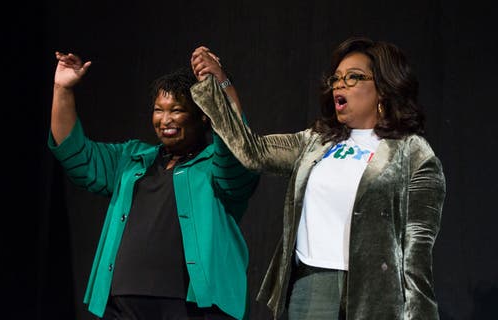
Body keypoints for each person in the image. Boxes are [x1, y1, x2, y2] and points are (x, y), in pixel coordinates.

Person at [189, 37, 446, 319]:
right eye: (336, 78)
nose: (340, 84)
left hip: (376, 295)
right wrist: (221, 83)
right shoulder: (316, 142)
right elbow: (252, 150)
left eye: (353, 77)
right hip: (312, 286)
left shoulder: (413, 153)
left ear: (383, 89)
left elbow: (417, 251)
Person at [48, 51, 259, 320]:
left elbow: (238, 146)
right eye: (159, 110)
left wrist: (221, 84)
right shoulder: (133, 159)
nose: (165, 119)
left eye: (177, 110)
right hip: (124, 304)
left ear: (203, 117)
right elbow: (76, 154)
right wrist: (62, 89)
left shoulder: (216, 165)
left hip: (190, 307)